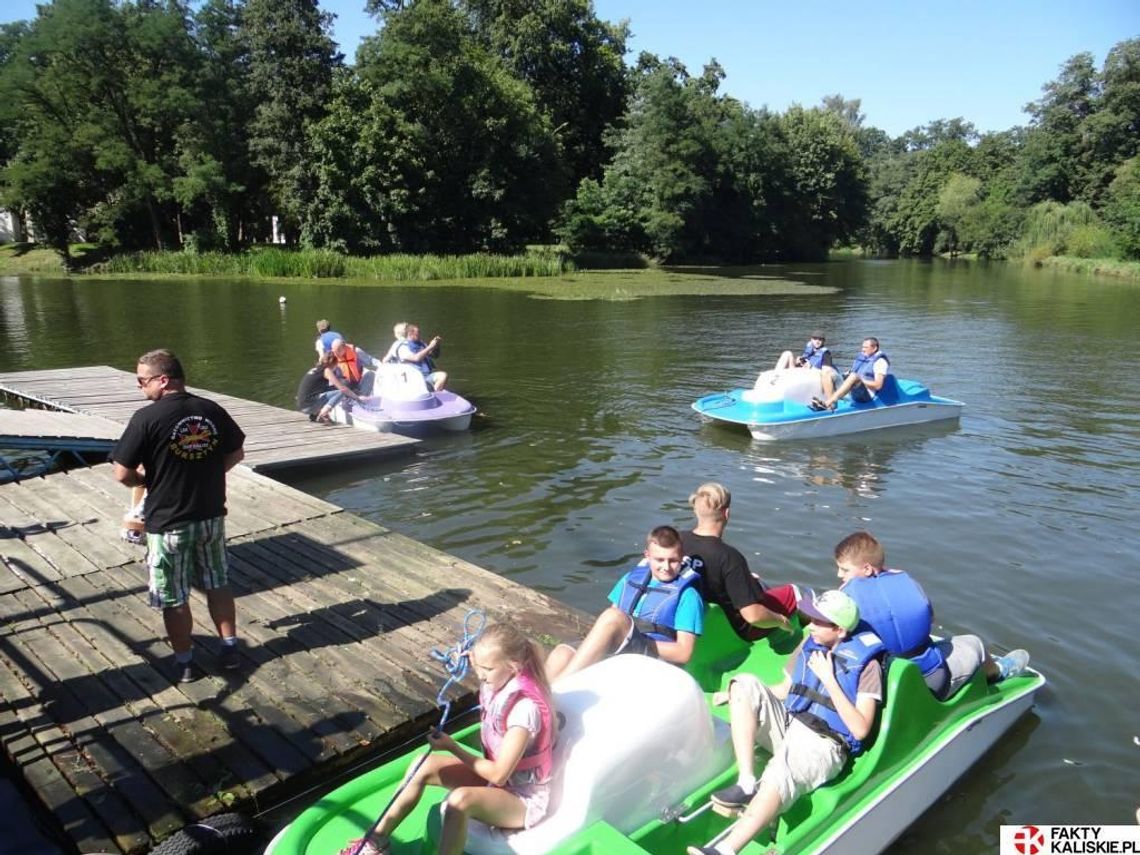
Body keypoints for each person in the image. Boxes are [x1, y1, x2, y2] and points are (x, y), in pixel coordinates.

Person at [690, 590, 883, 855]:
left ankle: (724, 851)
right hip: (792, 723)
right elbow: (785, 689)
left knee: (778, 774)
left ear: (839, 629)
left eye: (818, 622)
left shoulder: (868, 668)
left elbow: (860, 729)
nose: (810, 625)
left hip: (825, 744)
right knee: (744, 683)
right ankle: (746, 782)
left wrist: (829, 680)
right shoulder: (810, 644)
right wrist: (736, 695)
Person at [341, 623, 556, 855]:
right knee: (422, 765)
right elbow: (483, 661)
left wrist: (452, 747)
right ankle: (376, 841)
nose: (480, 675)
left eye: (487, 669)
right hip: (499, 784)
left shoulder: (523, 710)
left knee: (459, 801)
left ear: (513, 667)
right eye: (478, 667)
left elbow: (499, 775)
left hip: (522, 799)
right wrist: (471, 657)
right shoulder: (497, 677)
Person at [110, 349, 245, 684]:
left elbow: (121, 473)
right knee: (217, 581)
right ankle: (229, 648)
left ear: (163, 380)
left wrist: (145, 482)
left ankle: (185, 661)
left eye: (142, 381)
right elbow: (237, 452)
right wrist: (212, 473)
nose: (140, 387)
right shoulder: (210, 409)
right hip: (211, 515)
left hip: (169, 522)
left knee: (173, 595)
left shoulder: (146, 418)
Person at [833, 531, 1029, 699]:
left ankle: (997, 673)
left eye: (844, 569)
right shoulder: (906, 581)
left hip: (877, 682)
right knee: (974, 642)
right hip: (929, 679)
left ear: (867, 568)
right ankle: (998, 672)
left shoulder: (845, 599)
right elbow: (930, 618)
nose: (839, 575)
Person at [545, 525, 704, 681]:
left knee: (613, 616)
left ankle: (559, 689)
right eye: (659, 560)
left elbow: (684, 653)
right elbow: (607, 624)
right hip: (623, 647)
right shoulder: (631, 579)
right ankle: (537, 697)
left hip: (653, 658)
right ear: (647, 556)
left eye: (673, 560)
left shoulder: (688, 596)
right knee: (562, 654)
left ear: (682, 557)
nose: (666, 567)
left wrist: (634, 641)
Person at [681, 483, 799, 641]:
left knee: (756, 583)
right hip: (735, 630)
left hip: (694, 619)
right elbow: (753, 616)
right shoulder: (729, 557)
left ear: (695, 510)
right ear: (727, 513)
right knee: (796, 592)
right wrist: (781, 620)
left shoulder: (676, 542)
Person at [313, 338, 383, 422]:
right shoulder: (332, 357)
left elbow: (371, 360)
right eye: (334, 350)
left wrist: (381, 365)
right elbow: (324, 373)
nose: (335, 353)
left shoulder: (356, 351)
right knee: (342, 383)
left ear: (344, 348)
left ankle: (360, 401)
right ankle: (347, 400)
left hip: (357, 384)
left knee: (371, 374)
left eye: (338, 350)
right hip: (343, 387)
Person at [811, 336, 889, 412]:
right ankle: (832, 405)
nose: (863, 350)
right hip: (852, 389)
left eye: (866, 347)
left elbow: (878, 385)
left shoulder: (880, 362)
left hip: (866, 395)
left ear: (874, 348)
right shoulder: (863, 357)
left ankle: (827, 403)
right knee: (828, 373)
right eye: (862, 347)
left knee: (854, 376)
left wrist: (860, 380)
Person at [397, 323, 448, 392]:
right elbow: (416, 358)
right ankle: (429, 391)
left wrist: (436, 346)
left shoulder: (421, 344)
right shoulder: (403, 347)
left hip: (426, 376)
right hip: (413, 378)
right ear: (410, 334)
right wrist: (430, 346)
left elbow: (434, 356)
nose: (420, 335)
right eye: (418, 333)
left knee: (443, 375)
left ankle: (435, 394)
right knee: (426, 385)